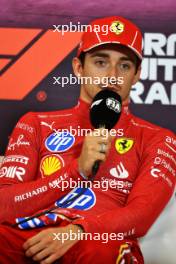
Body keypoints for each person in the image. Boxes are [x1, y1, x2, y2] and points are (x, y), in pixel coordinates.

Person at [0, 16, 175, 264]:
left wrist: (78, 231)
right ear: (78, 68)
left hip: (100, 242)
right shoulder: (35, 123)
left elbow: (141, 216)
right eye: (101, 62)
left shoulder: (158, 138)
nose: (113, 75)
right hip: (33, 238)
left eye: (124, 66)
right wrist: (77, 171)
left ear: (136, 75)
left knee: (98, 249)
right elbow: (4, 206)